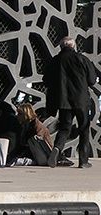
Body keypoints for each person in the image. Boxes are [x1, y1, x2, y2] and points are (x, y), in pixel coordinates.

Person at [43, 36, 97, 168]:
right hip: (81, 100)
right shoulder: (82, 59)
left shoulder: (55, 61)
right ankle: (83, 161)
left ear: (61, 47)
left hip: (63, 101)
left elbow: (46, 80)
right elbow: (92, 80)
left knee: (64, 128)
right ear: (73, 46)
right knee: (84, 128)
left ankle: (57, 148)